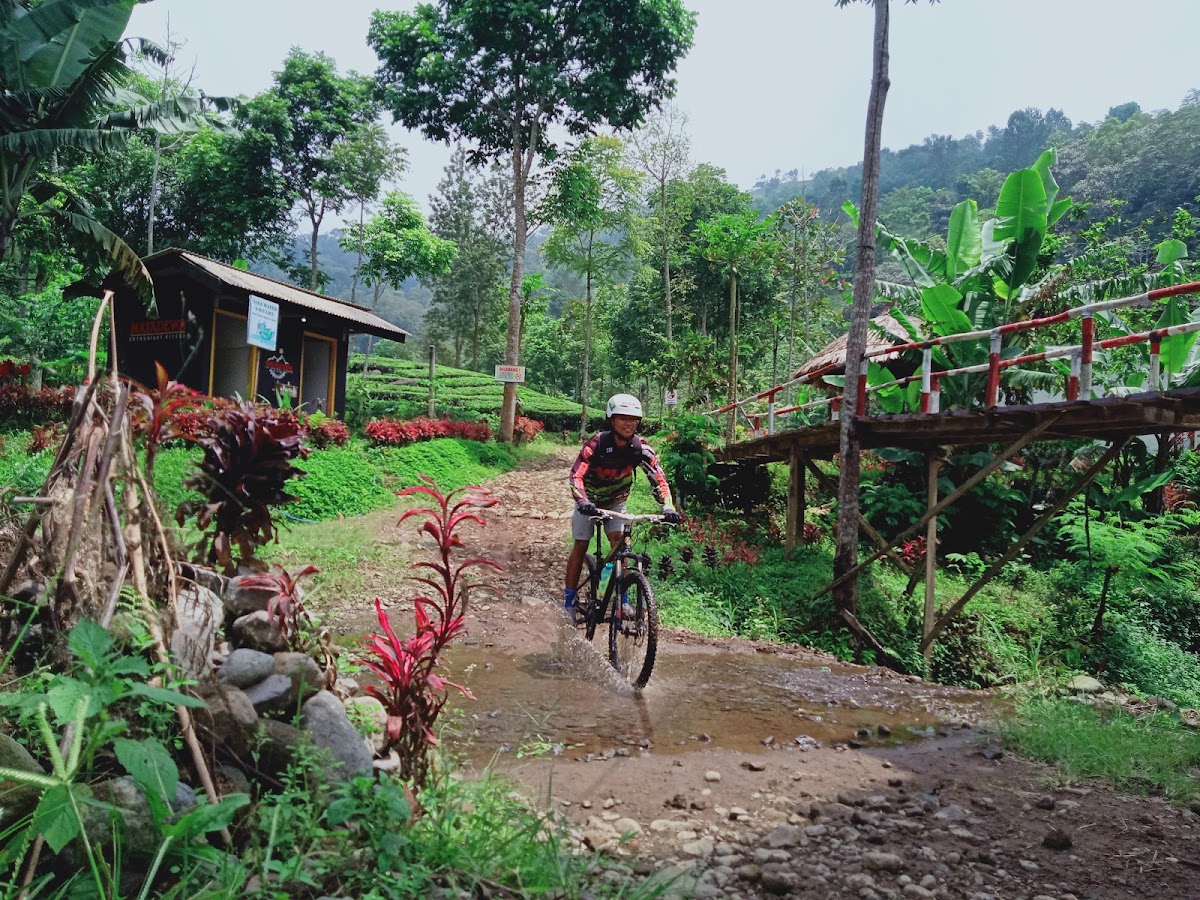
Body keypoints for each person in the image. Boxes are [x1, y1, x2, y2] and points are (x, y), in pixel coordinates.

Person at [564, 393, 682, 623]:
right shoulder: (596, 445)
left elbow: (659, 479)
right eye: (623, 418)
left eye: (633, 419)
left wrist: (668, 507)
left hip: (616, 501)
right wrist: (583, 501)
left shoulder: (641, 449)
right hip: (588, 501)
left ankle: (622, 603)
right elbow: (576, 476)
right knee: (581, 545)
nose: (629, 423)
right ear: (611, 420)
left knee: (620, 546)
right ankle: (568, 602)